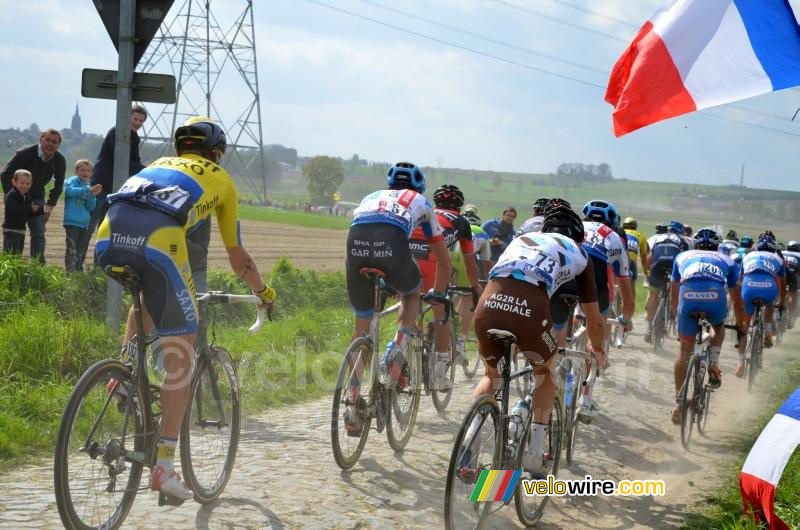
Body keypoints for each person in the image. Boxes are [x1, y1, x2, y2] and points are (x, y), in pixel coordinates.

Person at [95, 116, 276, 501]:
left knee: (143, 298)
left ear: (181, 149)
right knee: (183, 348)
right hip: (158, 242)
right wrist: (263, 290)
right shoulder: (220, 179)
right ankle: (163, 466)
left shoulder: (158, 165)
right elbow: (237, 256)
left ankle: (123, 375)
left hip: (107, 236)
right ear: (217, 155)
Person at [464, 203, 605, 476]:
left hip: (489, 305)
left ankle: (469, 445)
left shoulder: (521, 239)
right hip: (529, 310)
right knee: (545, 371)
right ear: (579, 237)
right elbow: (595, 320)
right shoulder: (579, 253)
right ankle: (534, 453)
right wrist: (597, 349)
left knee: (492, 374)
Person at [345, 161, 451, 433]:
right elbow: (442, 258)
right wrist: (437, 293)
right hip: (392, 243)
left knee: (362, 328)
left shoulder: (371, 196)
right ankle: (397, 348)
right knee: (412, 294)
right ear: (419, 186)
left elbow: (361, 232)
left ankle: (351, 403)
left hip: (355, 245)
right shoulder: (421, 202)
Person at [410, 184, 481, 389]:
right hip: (432, 260)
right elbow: (469, 262)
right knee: (442, 314)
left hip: (406, 258)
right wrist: (475, 285)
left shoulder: (426, 212)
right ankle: (439, 376)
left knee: (410, 303)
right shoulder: (462, 222)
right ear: (459, 206)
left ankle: (406, 345)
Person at [669, 228, 744, 422]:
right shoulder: (727, 260)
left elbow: (674, 292)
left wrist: (678, 314)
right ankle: (713, 361)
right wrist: (740, 323)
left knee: (684, 352)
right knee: (718, 326)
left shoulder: (682, 256)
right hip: (714, 295)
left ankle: (679, 402)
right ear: (717, 246)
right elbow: (736, 298)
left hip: (688, 298)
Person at [579, 200, 633, 421]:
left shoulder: (574, 227)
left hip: (565, 280)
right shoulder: (615, 237)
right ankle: (585, 400)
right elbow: (628, 295)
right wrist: (625, 319)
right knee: (597, 339)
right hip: (597, 285)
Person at [0, 128, 66, 263]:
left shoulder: (59, 160)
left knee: (38, 231)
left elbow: (59, 184)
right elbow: (5, 173)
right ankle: (10, 263)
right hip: (17, 199)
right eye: (47, 140)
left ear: (58, 145)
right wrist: (11, 196)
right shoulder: (25, 153)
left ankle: (37, 265)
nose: (50, 144)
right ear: (40, 140)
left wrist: (50, 205)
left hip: (36, 198)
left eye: (54, 142)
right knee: (14, 231)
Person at [89, 105, 148, 236]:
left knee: (107, 226)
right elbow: (120, 159)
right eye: (135, 119)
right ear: (127, 117)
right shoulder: (116, 132)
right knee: (90, 224)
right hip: (101, 184)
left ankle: (100, 256)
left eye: (141, 121)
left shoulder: (134, 137)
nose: (137, 123)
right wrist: (144, 169)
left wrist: (146, 171)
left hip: (117, 186)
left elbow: (135, 160)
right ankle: (77, 255)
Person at [735, 233, 786, 376]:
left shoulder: (747, 256)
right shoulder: (778, 258)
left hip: (749, 288)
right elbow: (783, 284)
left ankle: (740, 364)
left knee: (744, 327)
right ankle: (768, 333)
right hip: (769, 289)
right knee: (770, 305)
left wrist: (739, 302)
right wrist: (781, 303)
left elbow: (739, 281)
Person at [645, 221, 690, 343]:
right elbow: (685, 259)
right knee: (675, 291)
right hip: (673, 266)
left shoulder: (658, 238)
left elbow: (650, 259)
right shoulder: (682, 240)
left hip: (657, 266)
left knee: (653, 295)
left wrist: (650, 270)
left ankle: (649, 327)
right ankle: (672, 313)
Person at [63, 160, 101, 272]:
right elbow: (69, 192)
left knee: (81, 249)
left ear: (91, 173)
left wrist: (93, 196)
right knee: (72, 248)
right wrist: (87, 189)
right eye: (82, 170)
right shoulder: (73, 181)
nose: (85, 172)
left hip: (84, 223)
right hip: (72, 221)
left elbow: (90, 207)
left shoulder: (88, 186)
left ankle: (78, 270)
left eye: (88, 170)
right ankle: (70, 272)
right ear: (76, 171)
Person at [2, 169, 37, 254]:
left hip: (20, 230)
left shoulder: (26, 195)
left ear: (31, 184)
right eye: (21, 183)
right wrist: (29, 207)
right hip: (10, 230)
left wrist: (39, 210)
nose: (24, 186)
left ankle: (14, 268)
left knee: (17, 255)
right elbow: (15, 210)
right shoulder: (12, 195)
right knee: (8, 254)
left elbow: (27, 211)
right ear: (14, 182)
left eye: (27, 184)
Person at [623, 216, 649, 300]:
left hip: (616, 258)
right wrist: (646, 274)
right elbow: (644, 258)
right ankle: (631, 308)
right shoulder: (640, 235)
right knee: (632, 286)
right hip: (631, 261)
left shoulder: (619, 232)